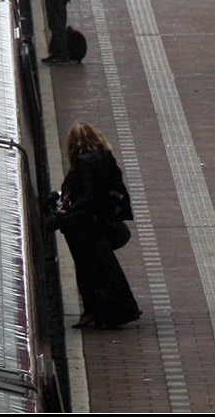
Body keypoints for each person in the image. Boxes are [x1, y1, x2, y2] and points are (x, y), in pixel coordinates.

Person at [49, 122, 141, 330]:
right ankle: (117, 310)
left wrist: (67, 209)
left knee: (88, 269)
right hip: (106, 221)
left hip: (88, 226)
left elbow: (89, 196)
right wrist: (68, 191)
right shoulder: (105, 156)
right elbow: (72, 182)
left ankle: (95, 311)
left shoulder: (82, 162)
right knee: (107, 269)